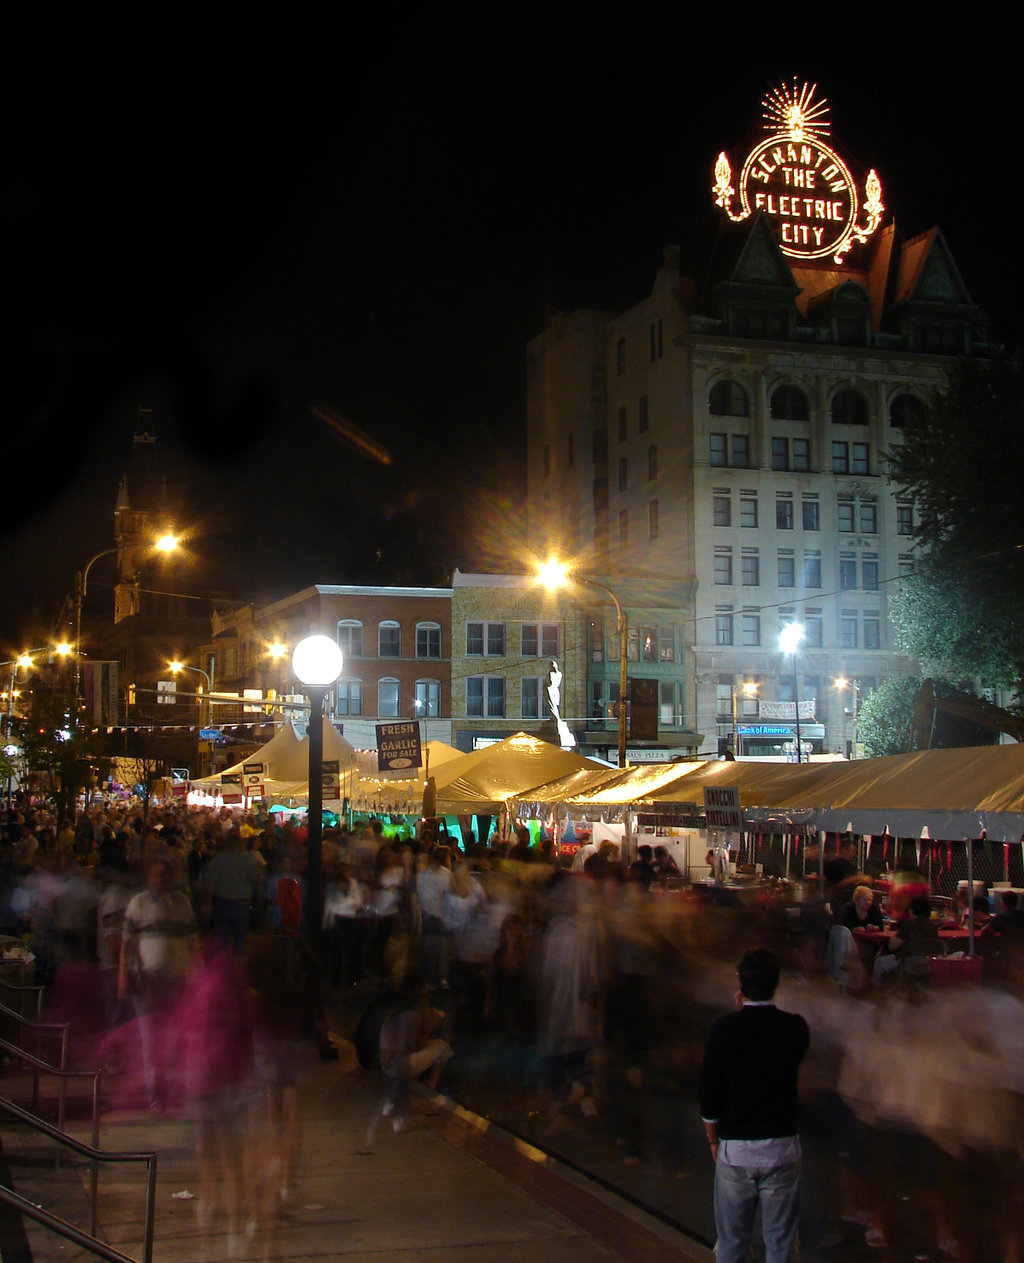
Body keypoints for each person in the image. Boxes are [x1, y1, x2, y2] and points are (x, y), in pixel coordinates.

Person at [698, 948, 809, 1263]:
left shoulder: (724, 1031)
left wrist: (712, 1138)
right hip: (782, 1147)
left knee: (732, 1241)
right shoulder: (796, 1028)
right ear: (776, 984)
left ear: (740, 985)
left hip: (737, 1148)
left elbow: (709, 1089)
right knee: (781, 1243)